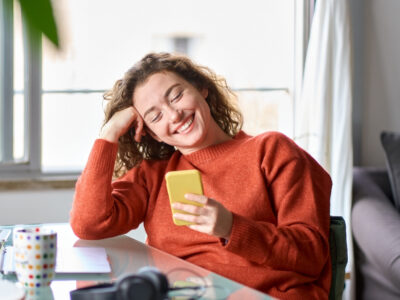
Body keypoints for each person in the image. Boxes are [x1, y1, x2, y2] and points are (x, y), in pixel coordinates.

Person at [70, 52, 332, 299]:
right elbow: (89, 224)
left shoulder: (271, 151)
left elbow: (311, 254)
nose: (174, 115)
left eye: (176, 96)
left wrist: (232, 227)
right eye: (156, 115)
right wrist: (109, 134)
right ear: (151, 133)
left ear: (202, 89)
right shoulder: (154, 175)